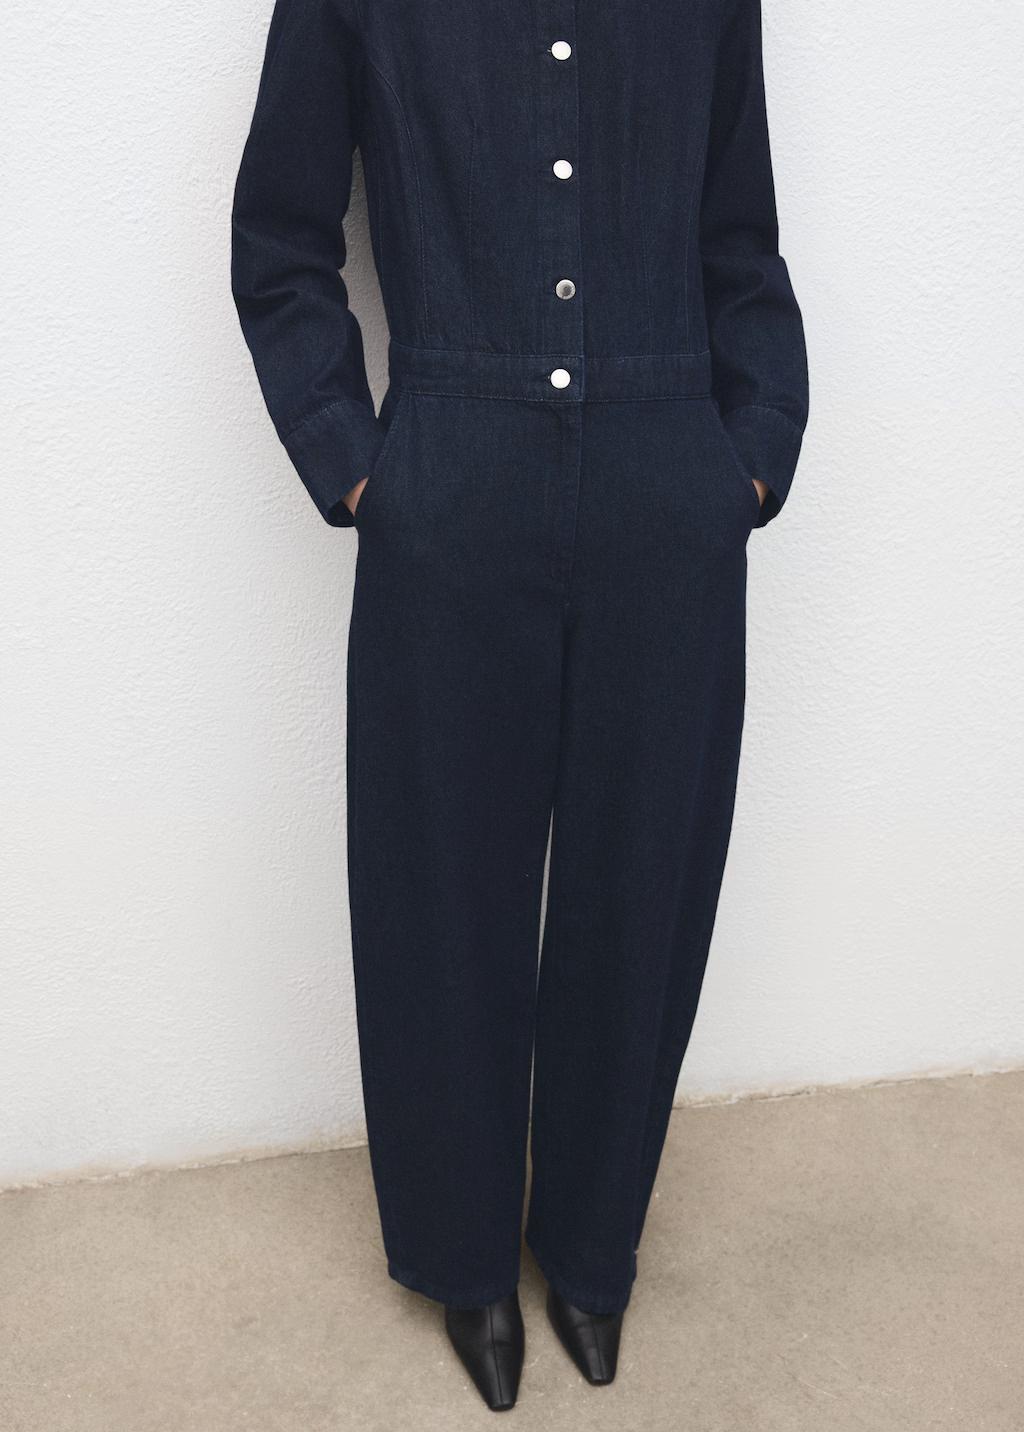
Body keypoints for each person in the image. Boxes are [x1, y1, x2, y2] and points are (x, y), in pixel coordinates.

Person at [231, 0, 808, 1410]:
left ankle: (594, 1251)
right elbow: (281, 242)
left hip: (669, 484)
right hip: (450, 474)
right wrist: (358, 461)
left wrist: (751, 451)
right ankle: (466, 1258)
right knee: (439, 893)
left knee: (644, 881)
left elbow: (740, 239)